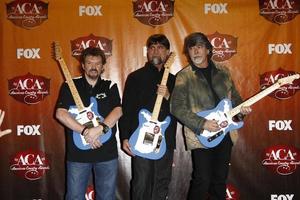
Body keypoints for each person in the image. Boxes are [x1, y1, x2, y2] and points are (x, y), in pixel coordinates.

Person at [170, 32, 252, 200]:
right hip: (200, 135)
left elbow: (235, 98)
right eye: (191, 48)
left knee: (219, 181)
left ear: (208, 50)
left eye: (199, 47)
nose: (195, 51)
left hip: (225, 132)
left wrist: (240, 111)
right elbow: (176, 107)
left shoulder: (223, 71)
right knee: (202, 180)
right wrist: (202, 124)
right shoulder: (183, 76)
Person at [55, 47, 122, 200]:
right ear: (83, 66)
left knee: (106, 197)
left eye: (97, 63)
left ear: (103, 66)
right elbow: (60, 113)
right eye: (89, 63)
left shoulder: (110, 85)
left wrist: (100, 129)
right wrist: (86, 131)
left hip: (106, 152)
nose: (93, 66)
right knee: (74, 196)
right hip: (78, 154)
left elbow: (118, 110)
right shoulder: (69, 85)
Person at [119, 34, 177, 200]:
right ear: (147, 52)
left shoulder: (175, 81)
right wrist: (124, 137)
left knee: (162, 182)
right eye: (152, 48)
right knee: (141, 182)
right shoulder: (135, 77)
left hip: (166, 139)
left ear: (167, 53)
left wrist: (168, 96)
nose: (155, 51)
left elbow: (182, 112)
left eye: (160, 48)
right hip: (139, 138)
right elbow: (127, 110)